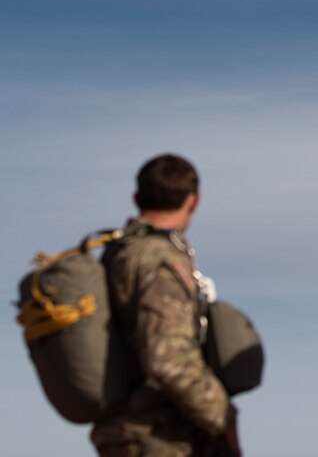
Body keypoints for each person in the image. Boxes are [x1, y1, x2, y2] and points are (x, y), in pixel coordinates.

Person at [91, 154, 241, 457]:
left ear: (137, 198)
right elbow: (166, 356)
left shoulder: (118, 254)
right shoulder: (160, 260)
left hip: (125, 433)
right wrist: (222, 417)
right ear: (193, 201)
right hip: (162, 437)